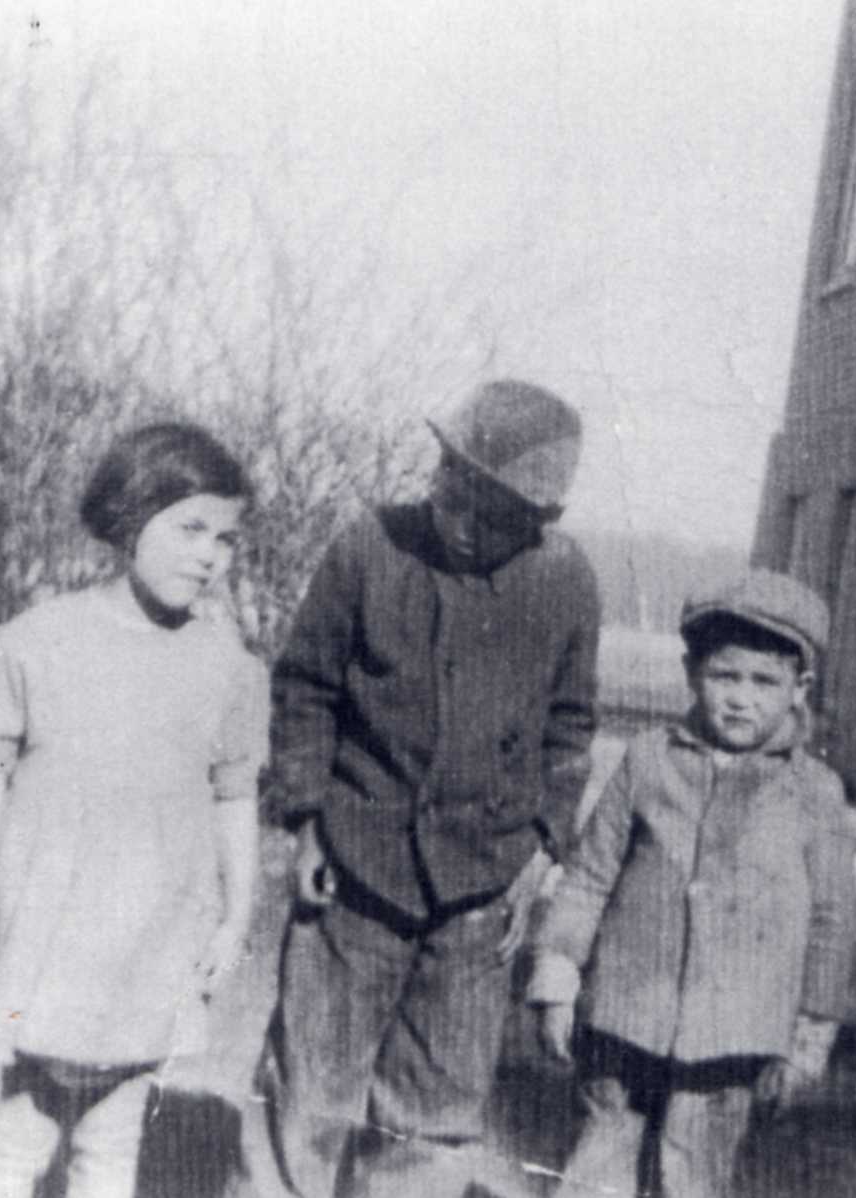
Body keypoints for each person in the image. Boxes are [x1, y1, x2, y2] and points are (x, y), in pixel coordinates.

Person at [247, 379, 601, 1198]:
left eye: (494, 516)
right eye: (453, 489)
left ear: (537, 520)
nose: (462, 522)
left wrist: (540, 851)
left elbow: (570, 728)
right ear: (438, 468)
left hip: (479, 893)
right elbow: (305, 689)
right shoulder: (370, 548)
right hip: (355, 867)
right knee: (308, 1089)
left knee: (434, 1116)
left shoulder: (565, 581)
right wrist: (306, 820)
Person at [0, 422, 267, 1198]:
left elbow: (235, 798)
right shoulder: (39, 643)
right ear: (130, 516)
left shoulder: (228, 669)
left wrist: (236, 915)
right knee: (20, 1139)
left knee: (112, 1143)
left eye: (225, 539)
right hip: (52, 935)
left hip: (153, 943)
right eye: (190, 528)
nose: (209, 555)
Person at [527, 569, 856, 1198]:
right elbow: (589, 877)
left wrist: (810, 1037)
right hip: (624, 1019)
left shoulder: (815, 793)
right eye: (724, 676)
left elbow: (832, 923)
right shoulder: (648, 759)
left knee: (692, 1179)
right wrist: (558, 978)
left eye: (764, 682)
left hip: (732, 1041)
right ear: (690, 673)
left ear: (800, 688)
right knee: (596, 1169)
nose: (741, 699)